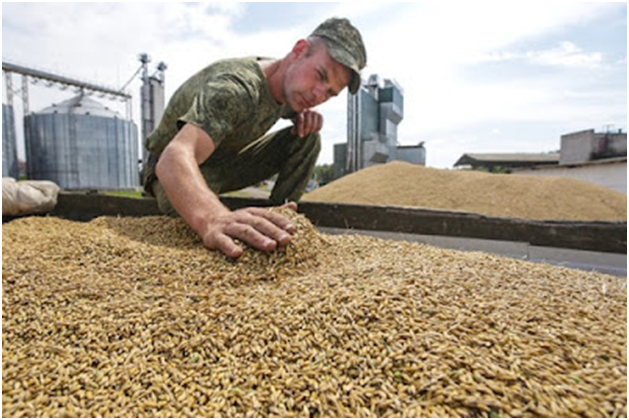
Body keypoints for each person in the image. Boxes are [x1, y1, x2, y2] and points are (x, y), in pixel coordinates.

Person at [142, 17, 367, 258]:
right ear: (299, 51)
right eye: (321, 75)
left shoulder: (290, 87)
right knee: (191, 222)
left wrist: (301, 118)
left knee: (308, 138)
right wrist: (213, 218)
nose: (318, 94)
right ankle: (236, 223)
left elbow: (282, 107)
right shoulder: (236, 89)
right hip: (173, 174)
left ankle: (280, 217)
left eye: (330, 93)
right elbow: (173, 158)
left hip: (224, 164)